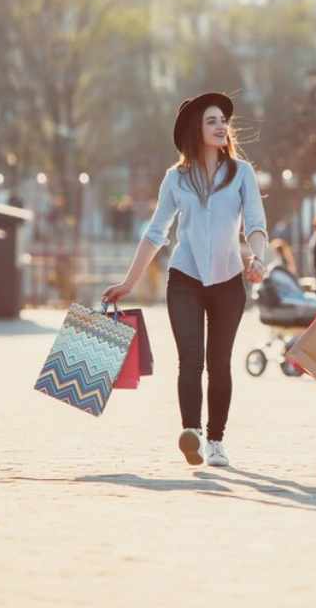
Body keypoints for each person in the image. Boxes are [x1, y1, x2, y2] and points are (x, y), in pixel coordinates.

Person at [102, 92, 267, 469]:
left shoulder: (242, 173)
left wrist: (257, 258)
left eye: (223, 120)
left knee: (219, 362)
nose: (221, 126)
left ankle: (217, 439)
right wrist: (129, 282)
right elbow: (156, 232)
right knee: (190, 360)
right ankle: (191, 432)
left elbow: (256, 224)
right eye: (211, 120)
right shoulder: (175, 179)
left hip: (228, 281)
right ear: (196, 128)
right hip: (185, 279)